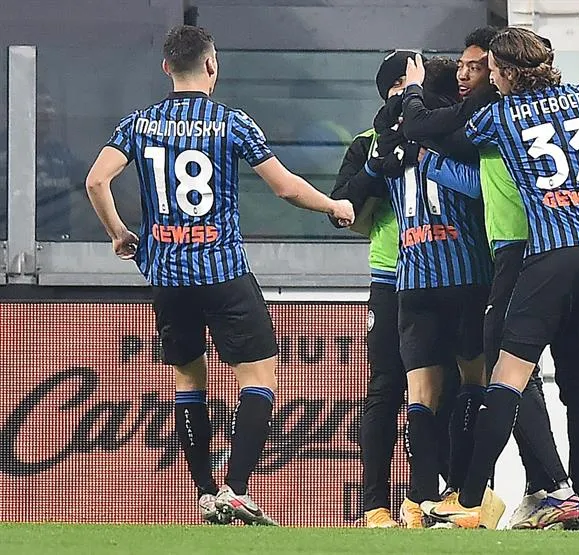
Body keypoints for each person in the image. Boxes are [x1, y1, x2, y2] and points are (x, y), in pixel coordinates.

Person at [84, 25, 354, 526]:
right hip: (222, 269)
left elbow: (97, 180)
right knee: (259, 376)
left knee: (188, 378)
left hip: (166, 274)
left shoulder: (138, 124)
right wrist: (333, 206)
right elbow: (285, 188)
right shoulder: (231, 122)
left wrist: (120, 234)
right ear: (212, 66)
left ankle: (206, 491)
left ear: (166, 68)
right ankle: (236, 487)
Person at [423, 27, 579, 532]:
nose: (489, 78)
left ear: (509, 74)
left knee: (508, 377)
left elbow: (449, 137)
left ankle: (469, 500)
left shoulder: (500, 114)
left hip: (552, 252)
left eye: (493, 71)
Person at [364, 56, 508, 529]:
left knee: (419, 394)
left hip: (413, 281)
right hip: (465, 276)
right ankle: (463, 495)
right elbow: (480, 189)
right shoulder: (453, 146)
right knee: (476, 382)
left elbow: (374, 169)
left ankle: (420, 501)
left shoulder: (393, 148)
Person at [329, 51, 461, 529]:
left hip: (446, 273)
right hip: (392, 275)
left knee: (442, 389)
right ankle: (374, 506)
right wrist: (383, 163)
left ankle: (427, 498)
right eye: (412, 82)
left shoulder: (442, 126)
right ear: (395, 89)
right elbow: (340, 206)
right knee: (386, 389)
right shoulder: (368, 141)